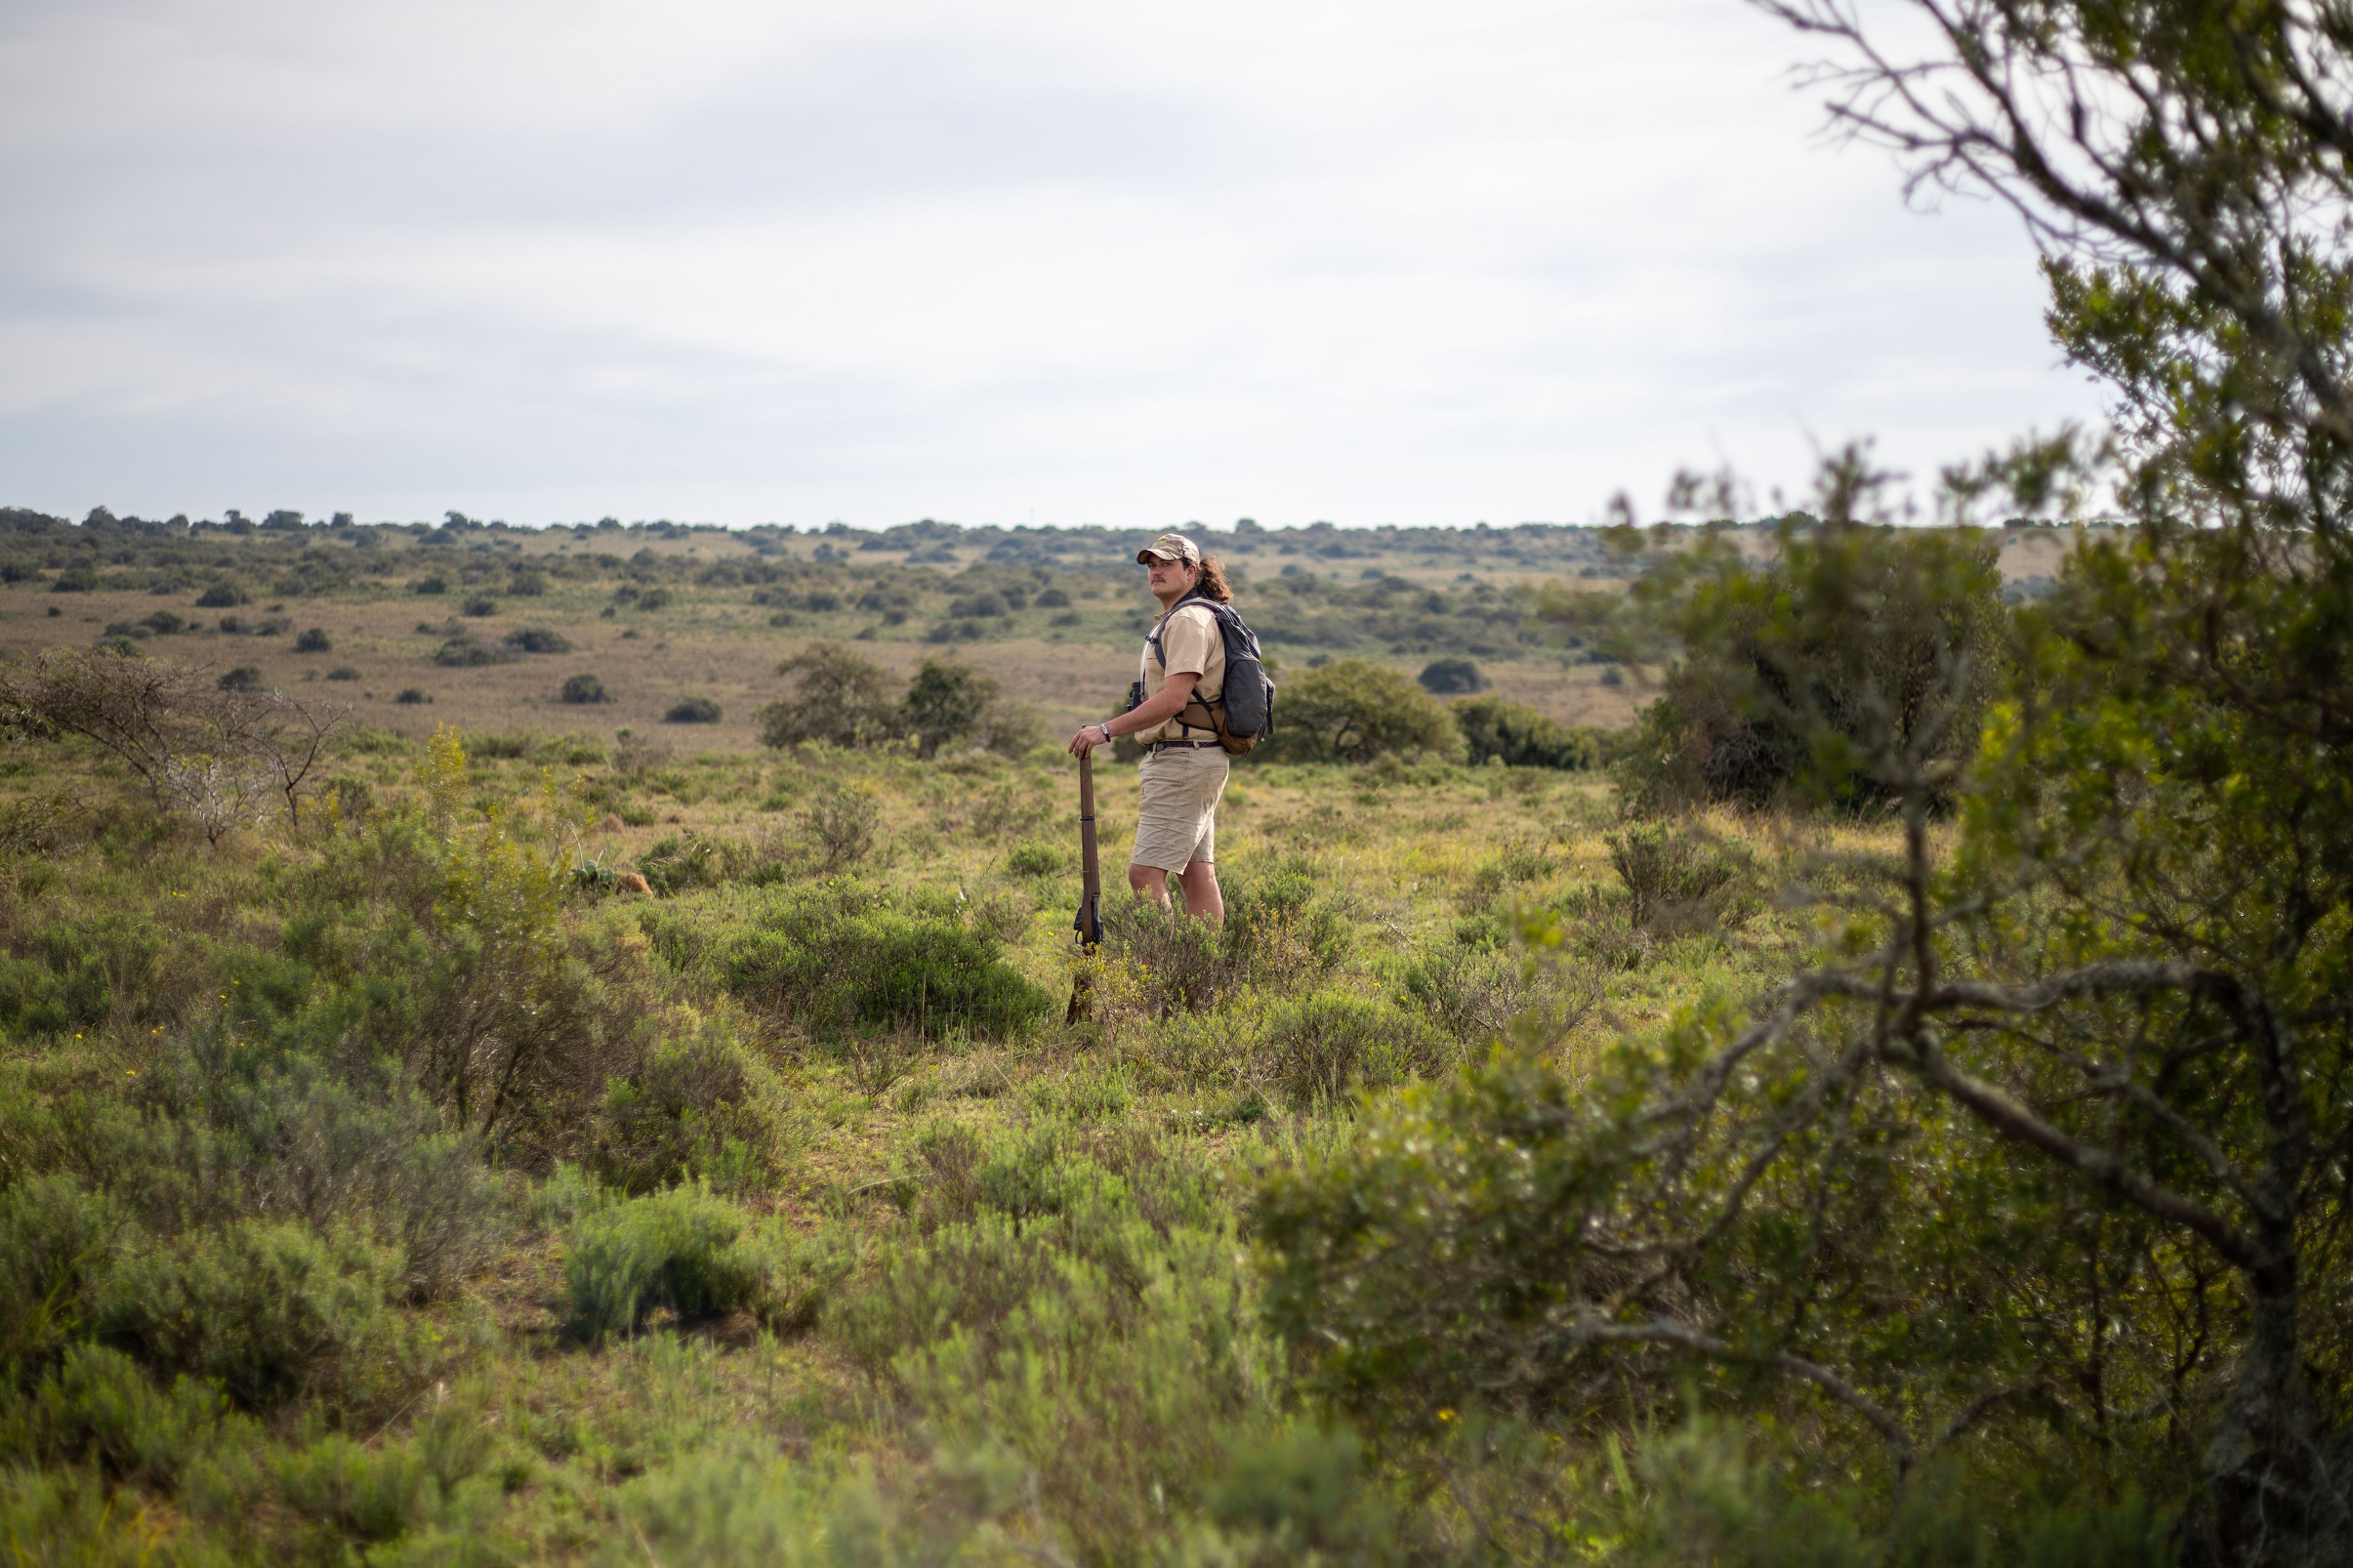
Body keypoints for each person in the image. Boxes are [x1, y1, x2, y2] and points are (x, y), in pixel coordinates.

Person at [1066, 532, 1233, 923]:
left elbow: (1175, 698)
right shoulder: (1186, 617)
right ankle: (1201, 973)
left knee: (1144, 874)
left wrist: (1105, 731)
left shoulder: (1189, 620)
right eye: (1151, 565)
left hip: (1183, 761)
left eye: (1166, 564)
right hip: (1197, 758)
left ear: (1191, 572)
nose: (1155, 572)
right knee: (1195, 873)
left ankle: (1162, 972)